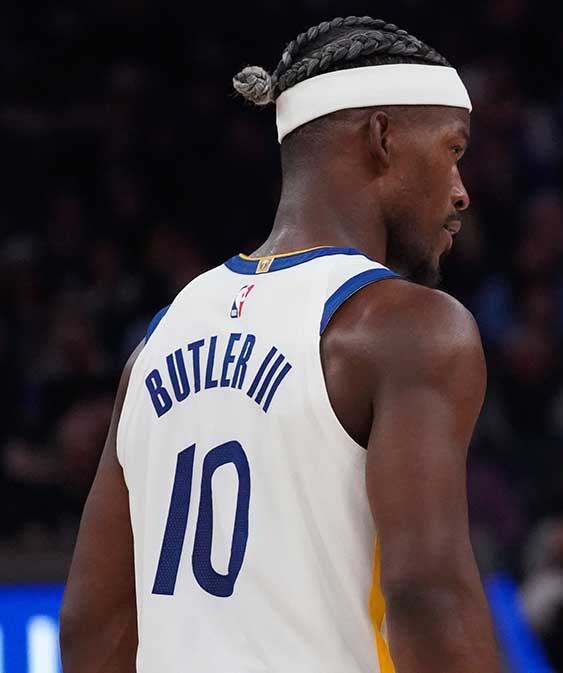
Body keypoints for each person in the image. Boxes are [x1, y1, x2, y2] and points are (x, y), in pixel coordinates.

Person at [59, 16, 500, 673]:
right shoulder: (407, 328)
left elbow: (92, 626)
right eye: (453, 150)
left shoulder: (159, 338)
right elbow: (426, 595)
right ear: (382, 137)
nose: (462, 190)